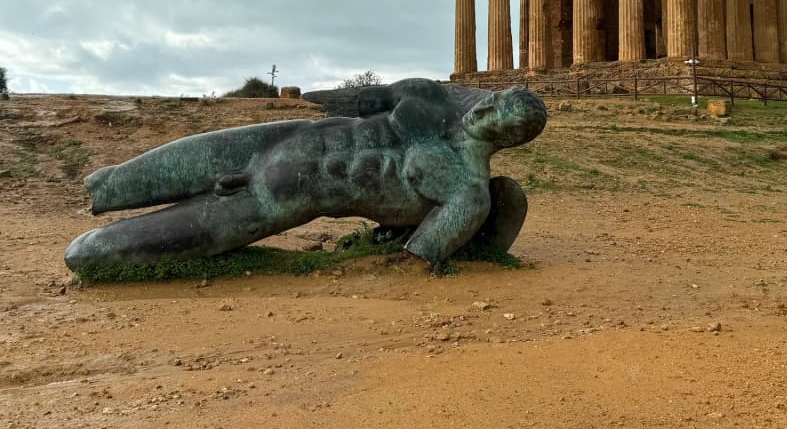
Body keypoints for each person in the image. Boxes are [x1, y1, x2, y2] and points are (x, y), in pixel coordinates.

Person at [64, 79, 546, 271]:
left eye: (500, 118)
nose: (483, 109)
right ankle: (106, 189)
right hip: (291, 138)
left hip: (290, 193)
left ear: (510, 139)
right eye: (492, 101)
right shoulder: (435, 101)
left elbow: (421, 253)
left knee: (90, 254)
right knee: (112, 181)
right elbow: (370, 100)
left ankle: (94, 250)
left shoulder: (468, 189)